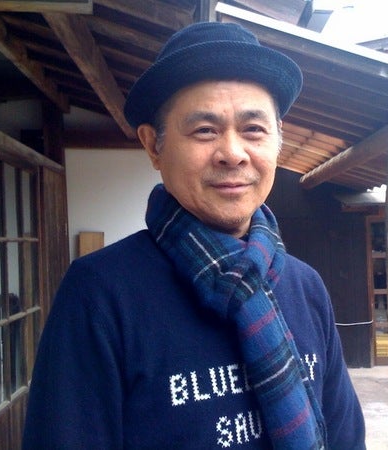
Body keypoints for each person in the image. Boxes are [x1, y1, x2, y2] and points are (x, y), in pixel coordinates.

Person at [22, 22, 365, 449]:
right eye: (205, 130)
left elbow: (346, 439)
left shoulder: (305, 287)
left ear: (278, 140)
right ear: (154, 146)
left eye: (253, 129)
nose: (233, 153)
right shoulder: (101, 293)